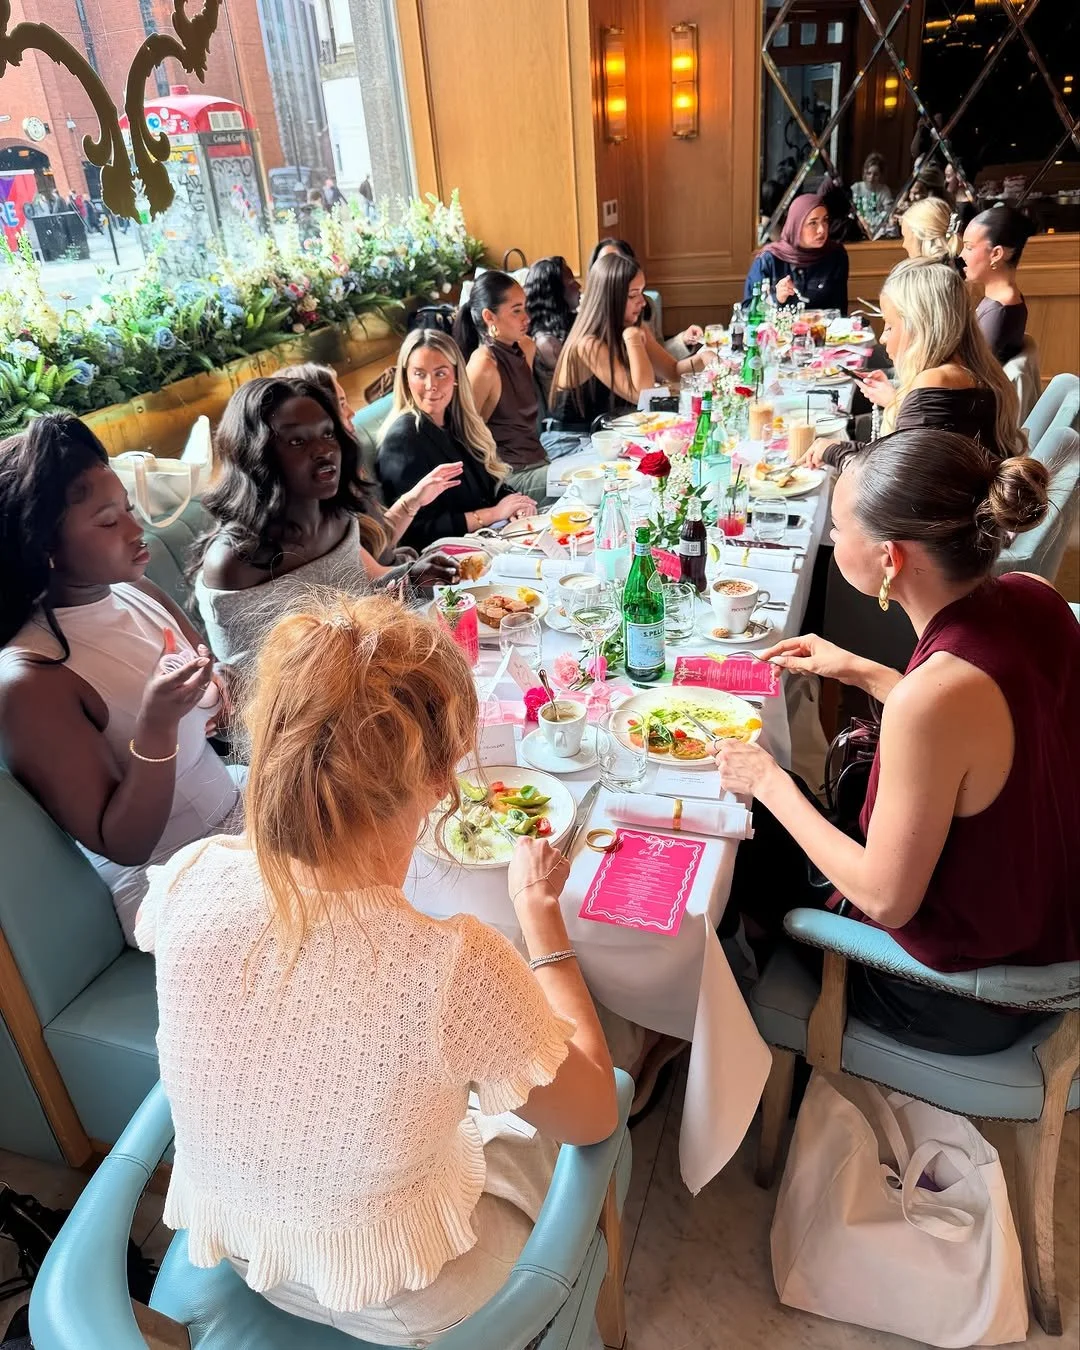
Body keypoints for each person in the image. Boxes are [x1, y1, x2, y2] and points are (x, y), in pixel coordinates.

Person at [135, 592, 617, 1341]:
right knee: (550, 1107)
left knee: (466, 1081)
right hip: (404, 1297)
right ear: (439, 781)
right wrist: (542, 922)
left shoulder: (189, 874)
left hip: (242, 1245)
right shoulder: (454, 965)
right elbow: (594, 1118)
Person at [717, 428, 1077, 1054]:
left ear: (890, 558)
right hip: (1047, 921)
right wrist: (856, 668)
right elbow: (989, 730)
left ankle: (722, 1024)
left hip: (962, 994)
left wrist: (768, 781)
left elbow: (886, 900)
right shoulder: (1036, 597)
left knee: (740, 829)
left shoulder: (929, 700)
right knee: (780, 804)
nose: (830, 540)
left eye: (838, 527)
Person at [0, 415, 243, 944]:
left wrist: (220, 689)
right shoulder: (31, 678)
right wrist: (156, 729)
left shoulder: (136, 591)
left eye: (129, 511)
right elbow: (124, 842)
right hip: (167, 882)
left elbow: (215, 696)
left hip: (236, 817)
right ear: (45, 547)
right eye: (109, 523)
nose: (137, 532)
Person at [194, 377, 458, 671]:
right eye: (297, 441)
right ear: (256, 454)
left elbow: (356, 606)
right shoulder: (233, 561)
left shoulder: (338, 516)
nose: (323, 450)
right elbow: (246, 688)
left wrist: (411, 583)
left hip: (369, 679)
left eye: (328, 434)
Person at [802, 257, 1026, 469]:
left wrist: (834, 453)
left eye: (890, 326)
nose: (883, 338)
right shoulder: (974, 370)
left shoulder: (935, 382)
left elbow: (889, 481)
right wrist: (839, 448)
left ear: (918, 328)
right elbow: (907, 455)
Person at [378, 329, 535, 550]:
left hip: (491, 537)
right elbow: (416, 531)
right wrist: (491, 514)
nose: (430, 384)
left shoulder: (457, 422)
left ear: (456, 377)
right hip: (448, 555)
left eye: (440, 373)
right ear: (406, 379)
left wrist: (517, 504)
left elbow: (491, 485)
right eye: (419, 374)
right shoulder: (402, 439)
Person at [549, 253, 711, 437]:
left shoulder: (633, 326)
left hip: (608, 432)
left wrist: (703, 358)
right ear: (610, 299)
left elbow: (672, 370)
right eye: (633, 295)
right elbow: (641, 394)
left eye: (641, 292)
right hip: (572, 441)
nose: (642, 302)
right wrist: (633, 339)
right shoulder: (589, 343)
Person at [453, 270, 552, 500]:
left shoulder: (526, 347)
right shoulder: (483, 366)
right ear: (489, 317)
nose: (526, 318)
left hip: (541, 463)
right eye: (516, 311)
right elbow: (462, 436)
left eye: (525, 308)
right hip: (511, 477)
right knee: (592, 481)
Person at [587, 238, 704, 353]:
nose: (642, 302)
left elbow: (660, 355)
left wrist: (682, 341)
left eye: (619, 261)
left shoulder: (645, 309)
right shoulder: (590, 338)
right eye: (607, 262)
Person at [743, 194, 848, 314]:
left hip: (822, 331)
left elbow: (839, 311)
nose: (822, 230)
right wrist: (774, 298)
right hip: (778, 331)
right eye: (813, 223)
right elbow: (747, 312)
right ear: (796, 225)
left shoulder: (835, 255)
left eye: (825, 221)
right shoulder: (769, 260)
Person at [961, 205, 1035, 364]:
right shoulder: (999, 300)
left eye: (969, 247)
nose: (962, 255)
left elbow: (973, 370)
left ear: (996, 254)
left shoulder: (1001, 309)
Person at [524, 255, 581, 403]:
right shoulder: (547, 343)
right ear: (555, 294)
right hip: (568, 420)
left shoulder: (566, 326)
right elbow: (580, 385)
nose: (579, 286)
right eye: (571, 283)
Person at [899, 198, 962, 267]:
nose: (904, 245)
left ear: (922, 236)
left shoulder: (919, 276)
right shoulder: (961, 266)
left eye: (905, 237)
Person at [851, 153, 893, 239]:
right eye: (869, 173)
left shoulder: (884, 190)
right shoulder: (856, 187)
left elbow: (889, 211)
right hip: (858, 228)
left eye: (875, 174)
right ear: (864, 173)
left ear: (880, 175)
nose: (871, 177)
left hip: (877, 230)